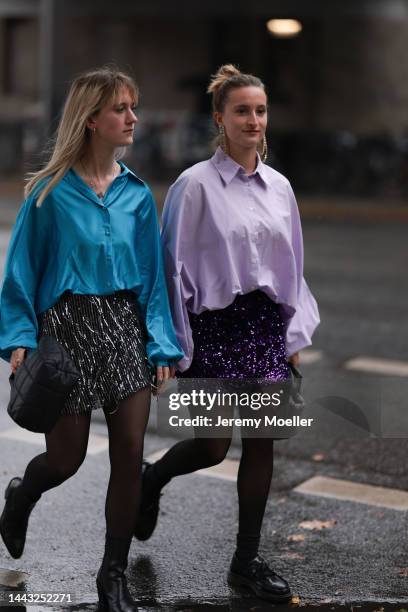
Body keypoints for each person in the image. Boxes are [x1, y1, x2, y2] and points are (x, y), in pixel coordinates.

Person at [134, 64, 320, 603]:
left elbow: (292, 265)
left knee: (263, 447)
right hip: (212, 327)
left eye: (260, 111)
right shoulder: (194, 186)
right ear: (220, 118)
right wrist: (169, 341)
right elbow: (172, 268)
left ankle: (247, 561)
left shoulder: (279, 187)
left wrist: (293, 336)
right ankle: (152, 480)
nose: (254, 120)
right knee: (213, 447)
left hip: (263, 326)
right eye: (242, 110)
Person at [0, 66, 183, 612]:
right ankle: (21, 494)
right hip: (68, 334)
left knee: (130, 455)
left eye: (133, 106)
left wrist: (162, 344)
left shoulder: (137, 195)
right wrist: (18, 338)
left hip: (125, 329)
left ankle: (112, 577)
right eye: (122, 109)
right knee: (66, 460)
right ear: (91, 120)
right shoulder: (49, 195)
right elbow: (20, 275)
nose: (133, 118)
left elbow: (153, 279)